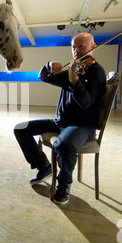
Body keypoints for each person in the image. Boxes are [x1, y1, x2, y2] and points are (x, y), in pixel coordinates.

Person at [14, 33, 106, 204]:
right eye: (73, 47)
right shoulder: (75, 68)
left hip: (82, 126)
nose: (76, 51)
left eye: (81, 47)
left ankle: (64, 185)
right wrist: (49, 66)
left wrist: (75, 82)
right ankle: (44, 166)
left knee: (64, 145)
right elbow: (44, 76)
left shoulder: (96, 72)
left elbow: (86, 102)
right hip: (60, 122)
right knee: (20, 129)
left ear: (93, 47)